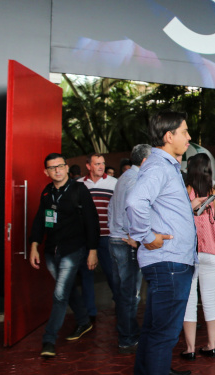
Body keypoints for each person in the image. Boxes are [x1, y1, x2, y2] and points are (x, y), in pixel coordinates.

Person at [126, 110, 198, 375]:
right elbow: (135, 202)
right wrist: (147, 236)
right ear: (168, 136)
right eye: (184, 132)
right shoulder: (158, 165)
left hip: (169, 261)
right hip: (169, 262)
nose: (189, 137)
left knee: (154, 334)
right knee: (162, 338)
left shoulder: (164, 166)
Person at [28, 153, 100, 358]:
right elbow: (40, 221)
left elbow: (91, 221)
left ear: (67, 168)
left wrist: (92, 251)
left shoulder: (79, 190)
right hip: (51, 251)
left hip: (73, 250)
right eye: (52, 168)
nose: (57, 170)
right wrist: (34, 246)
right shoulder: (47, 193)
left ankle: (49, 340)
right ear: (46, 172)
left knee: (59, 294)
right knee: (66, 290)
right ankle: (84, 321)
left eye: (60, 166)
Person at [180, 153, 215, 361]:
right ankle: (211, 345)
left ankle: (190, 348)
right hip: (212, 252)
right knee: (210, 299)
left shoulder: (185, 192)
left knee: (189, 300)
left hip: (190, 252)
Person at [107, 143, 151, 354]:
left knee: (123, 291)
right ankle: (128, 338)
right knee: (130, 293)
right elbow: (132, 210)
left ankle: (126, 333)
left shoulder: (123, 178)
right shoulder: (135, 179)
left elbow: (111, 207)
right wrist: (135, 237)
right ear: (144, 161)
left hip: (115, 238)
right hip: (126, 242)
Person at [81, 153, 118, 322]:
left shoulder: (114, 183)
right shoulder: (79, 185)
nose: (101, 166)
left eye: (102, 163)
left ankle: (120, 305)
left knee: (112, 273)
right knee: (86, 276)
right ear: (88, 166)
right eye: (97, 164)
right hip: (85, 238)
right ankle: (90, 313)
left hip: (107, 236)